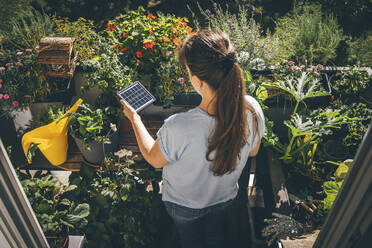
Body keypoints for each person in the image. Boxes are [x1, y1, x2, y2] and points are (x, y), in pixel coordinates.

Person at [120, 29, 265, 248]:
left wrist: (134, 118)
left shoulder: (179, 126)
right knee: (215, 235)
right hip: (223, 199)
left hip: (184, 206)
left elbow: (153, 158)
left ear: (198, 82)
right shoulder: (252, 109)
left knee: (191, 241)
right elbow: (253, 151)